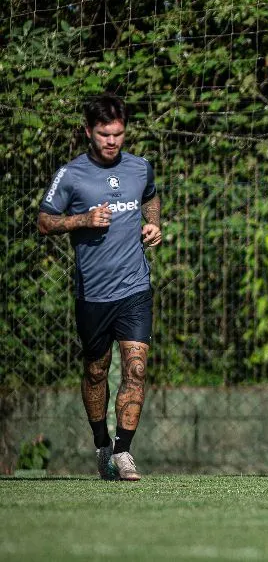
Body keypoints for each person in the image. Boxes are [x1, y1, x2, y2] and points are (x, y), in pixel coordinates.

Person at [38, 94, 162, 481]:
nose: (113, 141)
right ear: (89, 131)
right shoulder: (71, 175)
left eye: (119, 134)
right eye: (105, 134)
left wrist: (153, 224)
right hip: (93, 294)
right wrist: (82, 220)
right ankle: (102, 445)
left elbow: (151, 197)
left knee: (136, 368)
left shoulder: (140, 167)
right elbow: (44, 221)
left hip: (135, 287)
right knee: (96, 371)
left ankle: (124, 452)